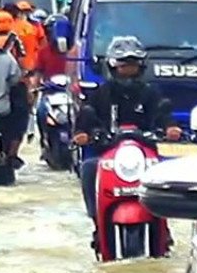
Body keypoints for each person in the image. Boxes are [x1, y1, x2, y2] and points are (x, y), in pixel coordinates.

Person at [73, 36, 182, 230]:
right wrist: (83, 133)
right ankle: (98, 221)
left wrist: (170, 128)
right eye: (123, 66)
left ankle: (164, 224)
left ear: (140, 67)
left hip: (146, 153)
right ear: (114, 67)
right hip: (108, 152)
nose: (128, 71)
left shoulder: (150, 92)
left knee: (169, 172)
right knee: (89, 168)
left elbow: (162, 112)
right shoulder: (101, 93)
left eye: (132, 66)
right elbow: (87, 115)